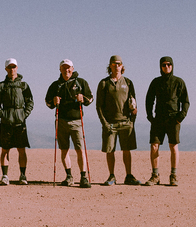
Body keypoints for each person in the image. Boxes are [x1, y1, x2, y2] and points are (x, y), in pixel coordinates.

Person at [45, 59, 93, 188]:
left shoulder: (81, 82)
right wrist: (54, 101)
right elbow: (48, 102)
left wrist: (83, 99)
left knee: (80, 149)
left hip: (77, 121)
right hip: (61, 121)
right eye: (64, 68)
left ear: (72, 68)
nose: (66, 70)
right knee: (64, 149)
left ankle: (83, 177)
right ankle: (69, 176)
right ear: (60, 69)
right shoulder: (55, 85)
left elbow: (90, 99)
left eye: (68, 68)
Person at [144, 56, 190, 186]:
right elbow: (149, 99)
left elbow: (185, 101)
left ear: (172, 65)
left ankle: (173, 175)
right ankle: (155, 175)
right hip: (158, 119)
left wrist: (180, 117)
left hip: (173, 119)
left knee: (173, 146)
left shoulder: (178, 82)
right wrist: (149, 116)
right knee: (154, 145)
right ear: (160, 66)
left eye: (169, 64)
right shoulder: (156, 82)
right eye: (164, 65)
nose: (166, 67)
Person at [95, 55, 140, 186]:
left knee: (127, 150)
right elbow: (99, 106)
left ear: (122, 66)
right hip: (110, 123)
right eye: (114, 64)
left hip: (126, 122)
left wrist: (132, 121)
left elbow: (134, 103)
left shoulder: (128, 82)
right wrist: (104, 123)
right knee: (110, 151)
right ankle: (111, 175)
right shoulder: (104, 83)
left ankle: (129, 175)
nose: (116, 66)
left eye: (119, 64)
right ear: (110, 66)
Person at [0, 58, 33, 185]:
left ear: (17, 68)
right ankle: (5, 176)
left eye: (14, 67)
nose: (12, 69)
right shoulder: (1, 86)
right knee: (5, 149)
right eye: (9, 67)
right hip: (6, 122)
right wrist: (2, 115)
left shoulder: (23, 85)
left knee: (21, 149)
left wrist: (24, 114)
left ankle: (23, 175)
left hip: (20, 122)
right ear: (6, 69)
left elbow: (30, 102)